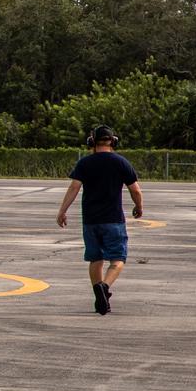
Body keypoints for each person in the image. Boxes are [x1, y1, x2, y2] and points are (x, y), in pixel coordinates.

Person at [56, 125, 143, 315]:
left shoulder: (85, 163)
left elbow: (74, 187)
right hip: (113, 220)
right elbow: (135, 190)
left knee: (95, 259)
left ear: (92, 142)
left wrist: (62, 211)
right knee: (118, 259)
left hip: (90, 220)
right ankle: (104, 286)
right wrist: (139, 207)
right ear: (113, 141)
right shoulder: (121, 162)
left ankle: (100, 299)